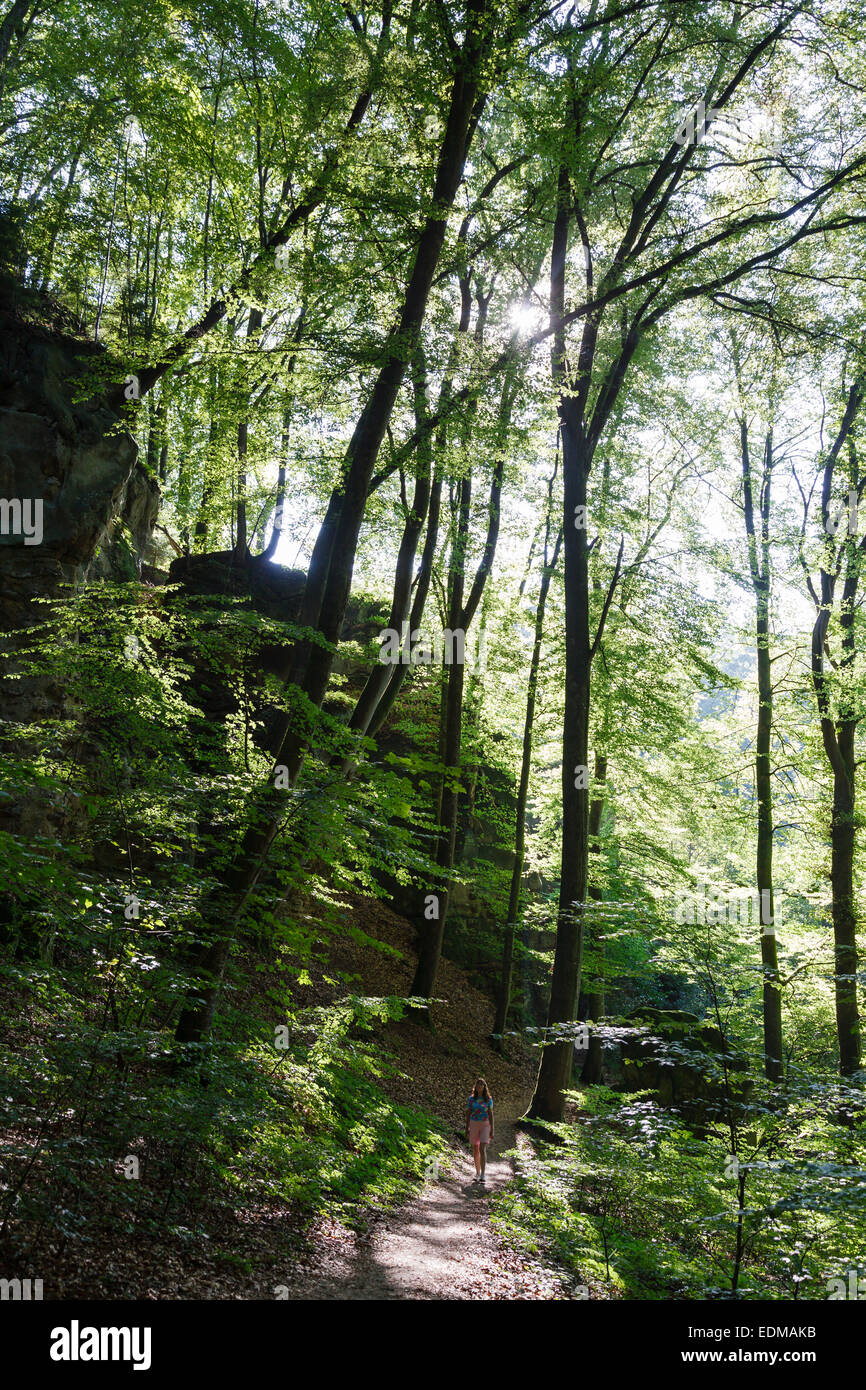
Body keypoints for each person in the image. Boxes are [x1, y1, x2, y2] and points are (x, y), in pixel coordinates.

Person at [465, 1077, 494, 1184]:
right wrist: (466, 1128)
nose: (479, 1086)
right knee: (476, 1149)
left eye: (481, 1085)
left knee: (482, 1148)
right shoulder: (471, 1099)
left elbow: (491, 1114)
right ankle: (477, 1173)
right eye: (477, 1085)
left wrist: (492, 1129)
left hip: (485, 1125)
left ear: (484, 1087)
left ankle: (483, 1174)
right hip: (473, 1124)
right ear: (475, 1087)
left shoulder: (488, 1100)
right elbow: (468, 1113)